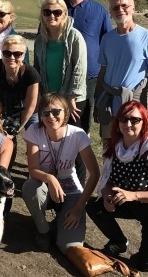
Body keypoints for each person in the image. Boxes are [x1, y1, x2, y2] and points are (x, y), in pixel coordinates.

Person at [86, 100, 148, 272]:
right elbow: (109, 179)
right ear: (117, 123)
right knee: (94, 206)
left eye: (135, 120)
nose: (128, 124)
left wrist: (133, 195)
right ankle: (119, 242)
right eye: (123, 119)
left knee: (147, 264)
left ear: (144, 123)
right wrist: (107, 195)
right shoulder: (113, 148)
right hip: (129, 199)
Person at [22, 93, 100, 254]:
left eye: (56, 111)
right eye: (45, 113)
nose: (51, 116)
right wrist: (50, 178)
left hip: (70, 189)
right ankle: (43, 230)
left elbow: (94, 174)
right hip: (44, 187)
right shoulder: (34, 131)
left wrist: (79, 207)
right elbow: (33, 169)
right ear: (41, 116)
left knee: (69, 247)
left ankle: (58, 223)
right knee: (31, 187)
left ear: (66, 112)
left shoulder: (78, 134)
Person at [32, 0, 88, 180]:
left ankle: (78, 186)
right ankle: (53, 181)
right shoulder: (41, 40)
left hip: (71, 101)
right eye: (47, 12)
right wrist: (40, 96)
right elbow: (38, 69)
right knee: (51, 141)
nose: (52, 16)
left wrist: (71, 97)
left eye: (57, 12)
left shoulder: (74, 37)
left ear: (64, 14)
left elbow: (80, 68)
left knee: (74, 144)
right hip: (49, 100)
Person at [94, 0, 148, 137]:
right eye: (115, 8)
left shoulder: (147, 37)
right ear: (110, 12)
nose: (120, 10)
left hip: (134, 105)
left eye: (124, 6)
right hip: (109, 104)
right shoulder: (107, 39)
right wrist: (97, 103)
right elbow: (103, 72)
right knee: (109, 147)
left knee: (134, 148)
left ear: (133, 8)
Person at [63, 0, 112, 136]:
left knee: (82, 121)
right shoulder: (56, 9)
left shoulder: (99, 11)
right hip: (60, 75)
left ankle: (79, 160)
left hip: (89, 77)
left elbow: (108, 43)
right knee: (58, 118)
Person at [0, 34, 40, 143]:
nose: (11, 58)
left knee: (35, 138)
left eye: (17, 54)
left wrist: (16, 130)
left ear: (23, 55)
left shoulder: (31, 74)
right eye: (7, 53)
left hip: (28, 110)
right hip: (5, 107)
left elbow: (30, 106)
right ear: (1, 53)